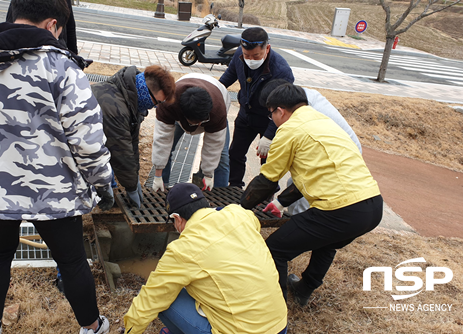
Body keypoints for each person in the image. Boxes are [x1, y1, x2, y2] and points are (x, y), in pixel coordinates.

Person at [0, 1, 113, 334]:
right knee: (72, 260)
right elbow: (87, 140)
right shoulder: (61, 66)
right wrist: (102, 182)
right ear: (52, 25)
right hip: (54, 190)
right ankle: (92, 328)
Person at [240, 83, 383, 306]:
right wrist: (280, 203)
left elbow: (266, 182)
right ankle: (304, 288)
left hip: (339, 210)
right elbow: (315, 174)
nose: (273, 121)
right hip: (372, 205)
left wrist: (240, 207)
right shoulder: (324, 123)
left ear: (280, 111)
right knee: (327, 242)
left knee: (276, 248)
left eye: (271, 116)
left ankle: (273, 306)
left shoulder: (288, 130)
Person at [123, 183, 288, 334]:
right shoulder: (239, 215)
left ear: (177, 218)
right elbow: (251, 220)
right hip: (279, 326)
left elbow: (152, 297)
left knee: (164, 299)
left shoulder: (183, 249)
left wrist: (129, 333)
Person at [256, 79, 363, 215]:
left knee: (306, 191)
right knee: (294, 183)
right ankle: (293, 219)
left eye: (271, 112)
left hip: (343, 152)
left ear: (280, 107)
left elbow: (272, 172)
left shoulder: (305, 112)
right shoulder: (301, 100)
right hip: (337, 147)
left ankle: (301, 222)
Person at [218, 27, 294, 188]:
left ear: (267, 48)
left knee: (268, 160)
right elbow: (228, 77)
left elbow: (284, 107)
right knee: (236, 153)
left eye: (256, 55)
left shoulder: (281, 71)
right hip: (246, 113)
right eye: (247, 55)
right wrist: (213, 89)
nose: (250, 59)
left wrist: (269, 135)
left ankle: (267, 193)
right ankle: (234, 186)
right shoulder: (240, 54)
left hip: (269, 118)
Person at [91, 65, 175, 208]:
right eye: (157, 102)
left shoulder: (130, 98)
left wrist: (134, 177)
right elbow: (121, 152)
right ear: (146, 92)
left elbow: (131, 143)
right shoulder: (114, 107)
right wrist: (131, 187)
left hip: (99, 145)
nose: (155, 107)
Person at [152, 73, 231, 192]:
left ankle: (219, 192)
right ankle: (162, 187)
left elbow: (213, 145)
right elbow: (162, 140)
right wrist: (157, 175)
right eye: (195, 122)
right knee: (167, 148)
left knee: (222, 156)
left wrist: (208, 174)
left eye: (201, 122)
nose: (199, 126)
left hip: (215, 101)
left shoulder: (218, 111)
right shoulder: (168, 104)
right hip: (182, 106)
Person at [6, 0, 78, 54]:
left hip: (56, 45)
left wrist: (74, 55)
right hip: (26, 46)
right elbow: (11, 22)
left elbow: (70, 26)